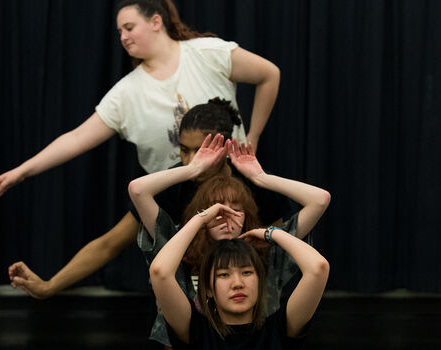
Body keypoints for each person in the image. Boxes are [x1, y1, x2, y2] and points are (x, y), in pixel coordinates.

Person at [0, 0, 280, 201]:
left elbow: (269, 74)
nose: (123, 37)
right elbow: (76, 138)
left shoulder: (208, 54)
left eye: (129, 27)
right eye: (119, 32)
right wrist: (21, 171)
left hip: (233, 186)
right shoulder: (125, 93)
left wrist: (252, 136)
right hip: (175, 199)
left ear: (155, 22)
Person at [7, 98, 290, 300]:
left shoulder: (256, 185)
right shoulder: (172, 185)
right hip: (187, 302)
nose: (191, 160)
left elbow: (277, 252)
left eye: (200, 150)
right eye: (184, 150)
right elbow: (110, 243)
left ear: (225, 147)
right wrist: (49, 286)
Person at [128, 133, 331, 346]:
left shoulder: (266, 253)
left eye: (235, 210)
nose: (225, 217)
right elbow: (138, 190)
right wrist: (192, 171)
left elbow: (319, 200)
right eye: (217, 209)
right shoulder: (179, 248)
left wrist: (261, 178)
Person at [148, 204, 329, 348]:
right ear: (209, 289)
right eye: (224, 274)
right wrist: (201, 219)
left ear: (260, 282)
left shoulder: (279, 329)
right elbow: (160, 272)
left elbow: (318, 268)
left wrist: (271, 233)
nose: (237, 283)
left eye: (247, 272)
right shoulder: (195, 331)